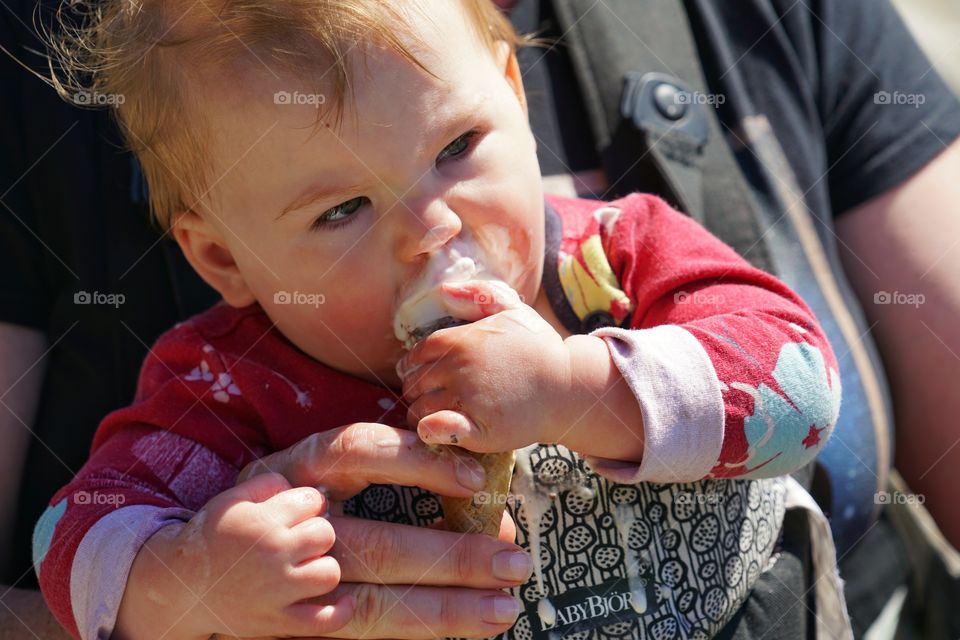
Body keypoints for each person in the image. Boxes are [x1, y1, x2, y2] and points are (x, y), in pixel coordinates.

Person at [3, 1, 959, 639]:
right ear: (219, 257)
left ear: (512, 91)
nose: (431, 230)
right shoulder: (223, 379)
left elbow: (798, 382)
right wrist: (186, 576)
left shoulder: (611, 258)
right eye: (342, 212)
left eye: (457, 148)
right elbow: (72, 535)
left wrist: (582, 390)